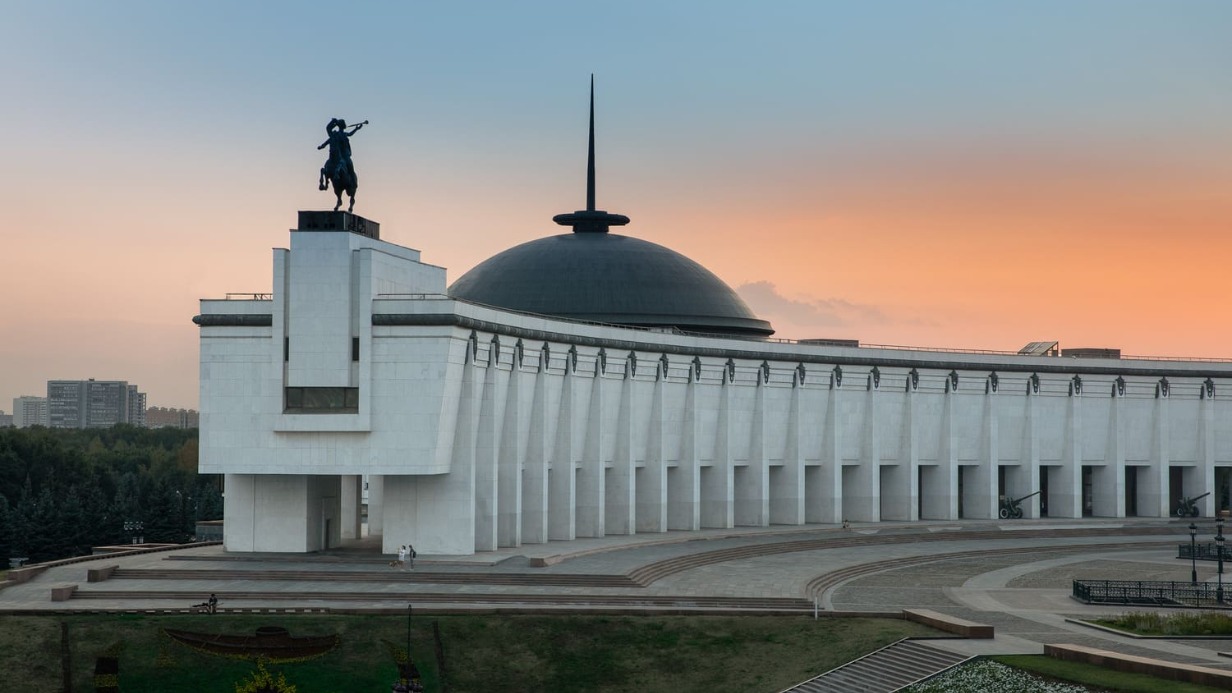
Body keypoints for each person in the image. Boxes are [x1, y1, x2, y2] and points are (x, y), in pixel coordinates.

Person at [317, 118, 364, 190]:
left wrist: (356, 129)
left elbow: (350, 134)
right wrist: (322, 146)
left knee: (350, 167)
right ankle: (326, 182)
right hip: (337, 154)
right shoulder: (335, 134)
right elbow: (329, 140)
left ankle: (353, 181)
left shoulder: (343, 134)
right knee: (327, 164)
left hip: (345, 155)